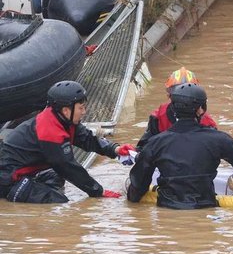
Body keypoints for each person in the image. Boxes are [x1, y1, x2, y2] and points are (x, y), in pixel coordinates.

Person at [0, 81, 135, 203]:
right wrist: (98, 192)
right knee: (59, 201)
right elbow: (69, 167)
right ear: (66, 110)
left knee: (55, 177)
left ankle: (35, 191)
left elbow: (87, 138)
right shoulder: (50, 131)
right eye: (81, 108)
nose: (84, 112)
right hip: (9, 180)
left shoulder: (62, 118)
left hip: (27, 171)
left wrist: (115, 149)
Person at [127, 83, 233, 209]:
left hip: (167, 209)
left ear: (173, 108)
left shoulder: (155, 143)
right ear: (201, 109)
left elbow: (139, 183)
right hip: (205, 208)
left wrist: (131, 202)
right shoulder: (218, 139)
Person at [136, 67, 216, 150]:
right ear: (169, 95)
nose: (183, 100)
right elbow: (144, 147)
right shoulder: (158, 117)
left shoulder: (207, 122)